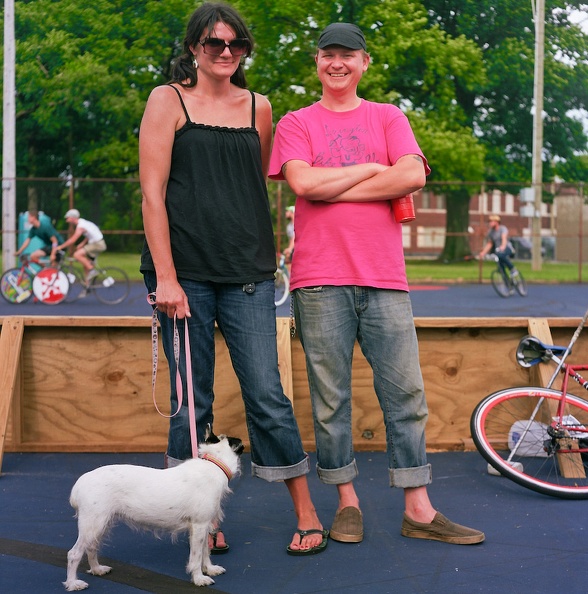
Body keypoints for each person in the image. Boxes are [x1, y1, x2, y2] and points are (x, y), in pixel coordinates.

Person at [269, 23, 485, 546]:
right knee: (330, 399)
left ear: (365, 62)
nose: (336, 63)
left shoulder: (388, 116)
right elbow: (301, 183)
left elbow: (411, 176)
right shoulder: (296, 122)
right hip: (319, 280)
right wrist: (370, 169)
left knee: (406, 394)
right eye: (327, 55)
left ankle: (418, 507)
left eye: (347, 55)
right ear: (317, 62)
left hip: (384, 278)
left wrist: (332, 184)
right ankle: (347, 501)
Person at [138, 2, 326, 556]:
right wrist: (166, 277)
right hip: (183, 275)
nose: (225, 52)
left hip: (246, 271)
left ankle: (305, 510)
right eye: (213, 43)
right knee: (191, 401)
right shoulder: (166, 100)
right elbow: (152, 193)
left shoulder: (259, 108)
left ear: (244, 51)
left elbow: (254, 184)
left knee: (267, 393)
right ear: (194, 46)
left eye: (235, 45)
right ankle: (199, 514)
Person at [53, 209, 106, 283]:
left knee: (77, 255)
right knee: (86, 264)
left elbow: (73, 240)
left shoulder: (80, 226)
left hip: (97, 244)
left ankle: (92, 270)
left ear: (72, 218)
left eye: (67, 218)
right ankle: (87, 286)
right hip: (96, 243)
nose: (67, 220)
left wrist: (60, 247)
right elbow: (90, 233)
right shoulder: (83, 222)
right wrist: (82, 243)